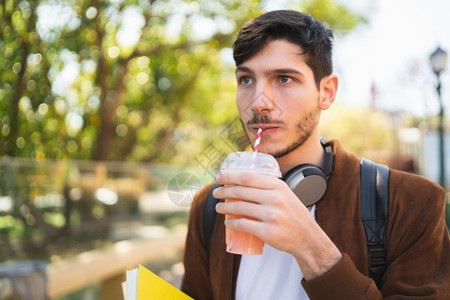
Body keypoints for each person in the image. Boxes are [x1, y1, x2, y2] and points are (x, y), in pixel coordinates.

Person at [181, 10, 450, 299]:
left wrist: (310, 247)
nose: (258, 103)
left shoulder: (412, 203)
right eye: (246, 79)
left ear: (327, 92)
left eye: (283, 78)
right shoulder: (212, 207)